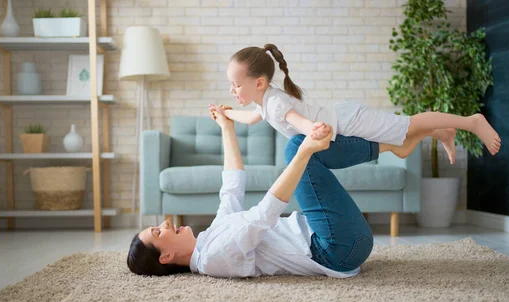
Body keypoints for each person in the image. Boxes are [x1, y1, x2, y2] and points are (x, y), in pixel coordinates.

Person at [128, 109, 389, 278]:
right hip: (335, 249)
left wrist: (226, 127)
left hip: (335, 238)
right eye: (157, 232)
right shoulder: (213, 258)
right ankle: (390, 144)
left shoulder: (209, 238)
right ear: (166, 257)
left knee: (299, 145)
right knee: (297, 147)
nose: (164, 224)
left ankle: (389, 145)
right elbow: (263, 216)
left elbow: (231, 187)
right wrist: (304, 153)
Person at [209, 44, 502, 165]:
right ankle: (442, 133)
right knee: (401, 148)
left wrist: (314, 128)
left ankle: (470, 122)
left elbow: (299, 122)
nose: (232, 90)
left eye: (235, 85)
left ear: (258, 83)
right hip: (345, 123)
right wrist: (226, 113)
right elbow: (248, 119)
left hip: (351, 121)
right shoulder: (265, 100)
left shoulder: (273, 103)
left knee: (408, 124)